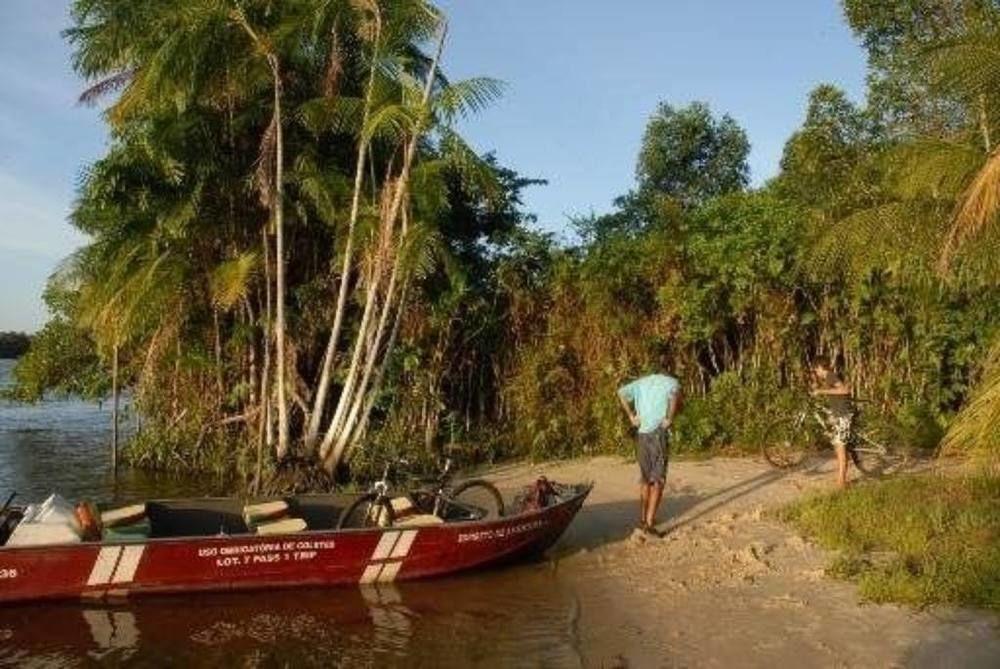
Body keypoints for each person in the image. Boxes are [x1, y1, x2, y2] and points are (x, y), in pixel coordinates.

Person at [617, 371, 682, 538]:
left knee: (645, 479)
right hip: (657, 434)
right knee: (658, 480)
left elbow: (621, 393)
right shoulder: (671, 382)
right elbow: (674, 398)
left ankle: (643, 520)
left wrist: (632, 416)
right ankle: (650, 525)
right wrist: (669, 418)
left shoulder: (640, 382)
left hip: (642, 435)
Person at [810, 355, 853, 489]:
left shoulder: (831, 376)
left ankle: (842, 482)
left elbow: (845, 390)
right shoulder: (828, 378)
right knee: (837, 445)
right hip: (838, 414)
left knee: (840, 448)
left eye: (816, 370)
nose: (816, 372)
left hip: (842, 415)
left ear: (820, 367)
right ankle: (842, 473)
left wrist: (822, 391)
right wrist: (817, 387)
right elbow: (832, 389)